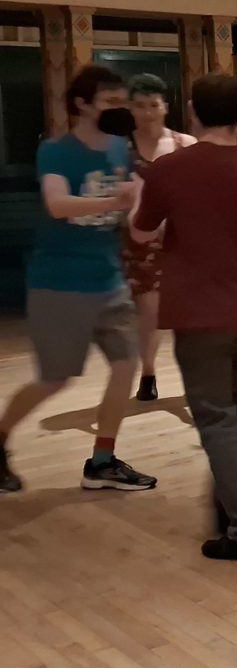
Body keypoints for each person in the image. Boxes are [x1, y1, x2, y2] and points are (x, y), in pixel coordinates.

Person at [133, 74, 237, 561]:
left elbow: (141, 233)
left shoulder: (169, 169)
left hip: (200, 314)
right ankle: (227, 507)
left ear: (192, 111)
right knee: (231, 408)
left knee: (217, 422)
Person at [0, 66, 155, 495]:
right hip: (60, 281)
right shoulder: (56, 151)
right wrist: (115, 200)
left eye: (122, 102)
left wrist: (143, 210)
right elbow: (57, 204)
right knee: (55, 379)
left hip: (109, 280)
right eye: (110, 102)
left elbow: (131, 209)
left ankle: (102, 461)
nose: (119, 109)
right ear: (83, 104)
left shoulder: (120, 149)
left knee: (126, 366)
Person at [121, 73, 195, 403]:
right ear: (130, 108)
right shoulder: (119, 149)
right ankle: (148, 372)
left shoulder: (185, 144)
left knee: (188, 312)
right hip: (140, 239)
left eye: (153, 105)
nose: (148, 112)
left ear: (165, 106)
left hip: (183, 240)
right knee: (149, 311)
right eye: (140, 106)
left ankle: (195, 374)